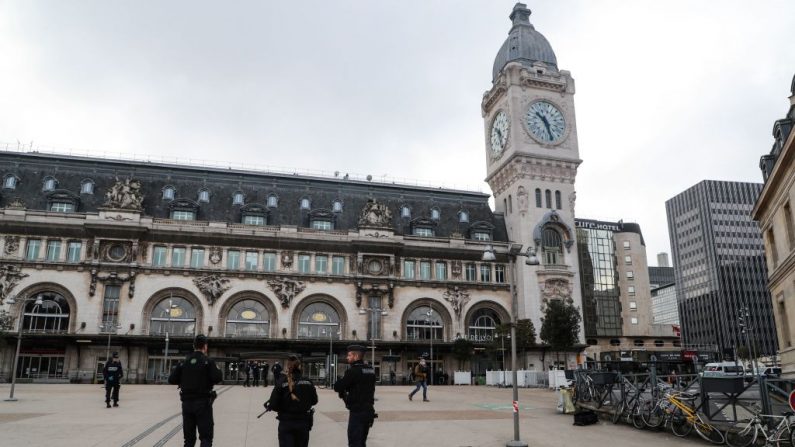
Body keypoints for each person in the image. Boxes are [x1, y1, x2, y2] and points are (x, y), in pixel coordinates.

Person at [168, 334, 223, 447]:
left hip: (187, 404)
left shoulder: (184, 362)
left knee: (188, 439)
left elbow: (171, 379)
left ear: (194, 346)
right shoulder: (208, 361)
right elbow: (218, 378)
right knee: (206, 437)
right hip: (203, 403)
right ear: (205, 346)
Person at [268, 355, 318, 447]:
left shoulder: (281, 382)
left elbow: (273, 404)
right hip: (303, 423)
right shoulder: (308, 381)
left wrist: (283, 407)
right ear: (299, 367)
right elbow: (314, 401)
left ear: (288, 367)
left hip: (286, 423)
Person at [334, 345, 376, 447]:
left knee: (354, 442)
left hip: (357, 413)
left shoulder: (352, 371)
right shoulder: (371, 370)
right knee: (362, 442)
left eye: (349, 355)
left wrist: (340, 381)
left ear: (356, 356)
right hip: (369, 411)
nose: (347, 357)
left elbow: (337, 387)